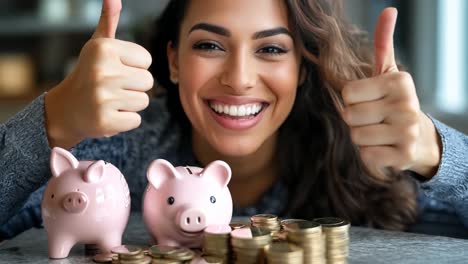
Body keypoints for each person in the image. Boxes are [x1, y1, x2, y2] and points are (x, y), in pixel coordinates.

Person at [1, 0, 468, 240]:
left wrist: (436, 154)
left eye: (271, 49)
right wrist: (54, 119)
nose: (240, 79)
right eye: (209, 45)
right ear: (175, 59)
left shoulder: (361, 151)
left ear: (301, 67)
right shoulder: (114, 153)